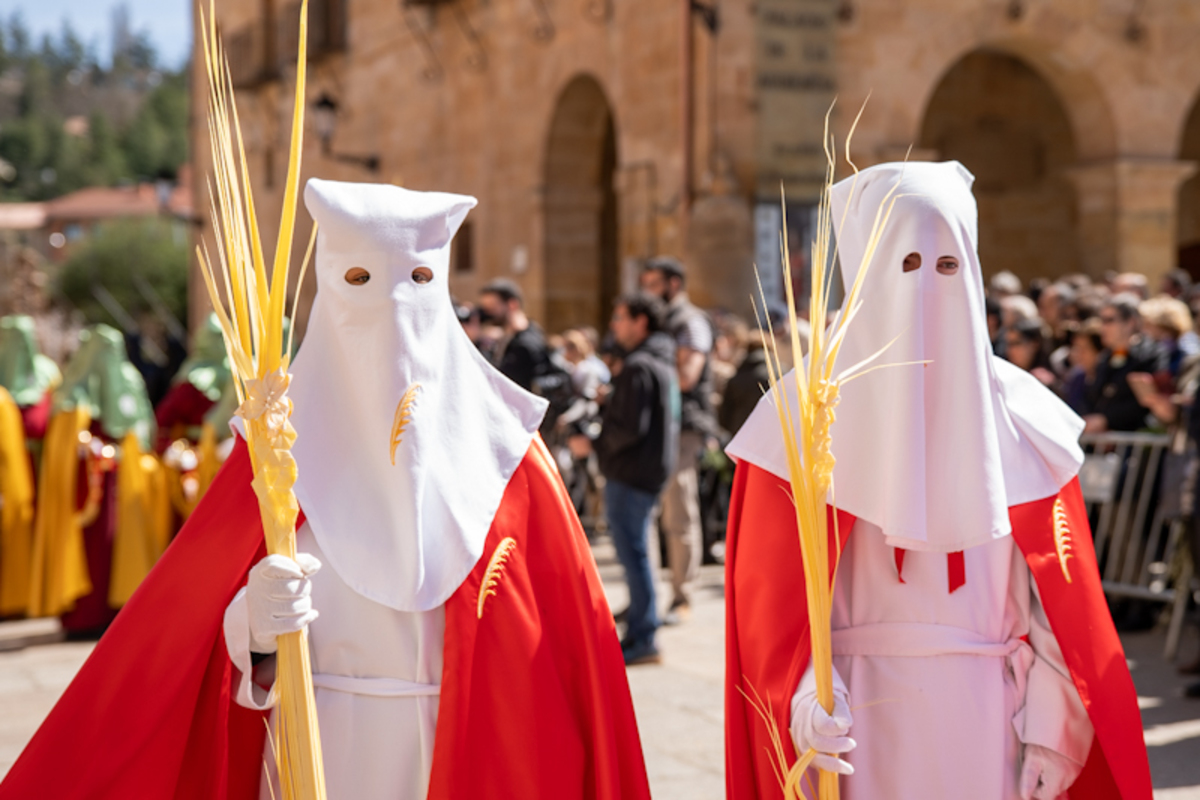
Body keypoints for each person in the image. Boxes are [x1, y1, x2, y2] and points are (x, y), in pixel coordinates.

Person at [0, 181, 651, 800]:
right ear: (330, 294)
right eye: (361, 282)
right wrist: (250, 625)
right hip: (314, 753)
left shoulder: (510, 456)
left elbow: (569, 654)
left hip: (468, 756)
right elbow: (182, 650)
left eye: (418, 282)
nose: (393, 308)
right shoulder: (274, 451)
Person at [724, 161, 1150, 800]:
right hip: (854, 723)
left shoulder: (1024, 419)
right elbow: (769, 601)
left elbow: (1060, 605)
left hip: (990, 722)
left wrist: (1055, 729)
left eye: (947, 267)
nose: (926, 291)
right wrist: (804, 697)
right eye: (904, 266)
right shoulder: (798, 423)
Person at [594, 291, 679, 665]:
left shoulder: (640, 366)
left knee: (635, 553)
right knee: (636, 552)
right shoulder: (657, 362)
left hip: (632, 474)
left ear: (640, 322)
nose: (615, 325)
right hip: (646, 472)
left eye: (621, 317)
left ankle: (644, 636)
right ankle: (642, 622)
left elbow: (630, 428)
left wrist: (596, 442)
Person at [640, 256, 716, 622]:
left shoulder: (690, 322)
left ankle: (682, 595)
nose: (648, 292)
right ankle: (650, 596)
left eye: (654, 284)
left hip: (682, 427)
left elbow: (687, 376)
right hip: (655, 426)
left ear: (673, 284)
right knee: (649, 514)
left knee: (679, 513)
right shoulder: (660, 323)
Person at [1082, 294, 1160, 432]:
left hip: (1136, 441)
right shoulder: (1106, 358)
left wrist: (1107, 420)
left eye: (1109, 320)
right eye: (1102, 321)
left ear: (1130, 322)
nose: (1103, 327)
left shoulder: (1149, 355)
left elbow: (1142, 405)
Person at [477, 278, 550, 392]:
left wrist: (480, 342)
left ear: (512, 305)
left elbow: (501, 380)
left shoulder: (526, 343)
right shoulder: (506, 336)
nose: (488, 314)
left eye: (492, 308)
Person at [1004, 317, 1057, 388]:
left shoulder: (1042, 380)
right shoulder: (1006, 374)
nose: (1010, 350)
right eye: (1009, 344)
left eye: (1016, 343)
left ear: (1034, 344)